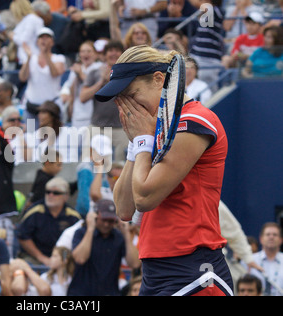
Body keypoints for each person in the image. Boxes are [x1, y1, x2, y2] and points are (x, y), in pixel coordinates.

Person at [98, 45, 233, 296]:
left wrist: (142, 141)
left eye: (131, 94)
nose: (127, 108)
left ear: (159, 80)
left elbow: (145, 197)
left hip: (193, 270)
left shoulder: (194, 121)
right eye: (121, 100)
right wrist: (137, 144)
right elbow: (124, 208)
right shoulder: (150, 132)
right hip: (154, 270)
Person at [67, 199, 140, 296]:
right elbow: (80, 258)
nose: (106, 224)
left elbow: (135, 263)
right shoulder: (82, 232)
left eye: (110, 221)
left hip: (109, 292)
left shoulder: (118, 236)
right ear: (96, 217)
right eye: (104, 220)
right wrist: (90, 229)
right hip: (82, 292)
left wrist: (126, 234)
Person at [80, 40, 128, 163]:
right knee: (89, 163)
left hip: (121, 128)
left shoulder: (128, 74)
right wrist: (101, 82)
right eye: (110, 51)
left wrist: (115, 81)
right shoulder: (95, 72)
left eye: (117, 51)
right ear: (104, 55)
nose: (113, 54)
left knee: (121, 165)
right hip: (97, 126)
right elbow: (83, 97)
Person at [17, 177, 82, 266]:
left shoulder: (73, 216)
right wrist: (42, 258)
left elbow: (78, 241)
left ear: (66, 196)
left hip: (63, 259)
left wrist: (61, 259)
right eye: (48, 192)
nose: (50, 195)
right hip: (34, 258)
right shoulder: (34, 212)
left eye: (56, 193)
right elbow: (23, 237)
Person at [18, 27, 66, 125]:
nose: (44, 40)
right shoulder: (30, 58)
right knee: (31, 137)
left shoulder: (59, 58)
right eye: (41, 37)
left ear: (52, 42)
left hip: (51, 108)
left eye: (47, 37)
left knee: (53, 136)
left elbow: (55, 73)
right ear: (37, 42)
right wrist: (28, 58)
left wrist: (45, 54)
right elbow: (22, 77)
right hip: (31, 107)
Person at [61, 41, 102, 129]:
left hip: (93, 114)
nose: (85, 54)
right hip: (78, 113)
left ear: (95, 54)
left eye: (89, 51)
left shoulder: (99, 67)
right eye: (83, 51)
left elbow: (96, 86)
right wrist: (76, 76)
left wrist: (80, 74)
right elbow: (72, 91)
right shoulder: (76, 69)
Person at [189, 0, 225, 90]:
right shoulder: (206, 13)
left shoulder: (217, 11)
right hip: (196, 55)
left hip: (209, 59)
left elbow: (197, 4)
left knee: (210, 91)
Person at [250, 222, 283, 296]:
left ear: (281, 240)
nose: (271, 237)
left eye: (275, 235)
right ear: (261, 239)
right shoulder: (250, 261)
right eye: (268, 234)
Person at [11, 0, 45, 66]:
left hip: (31, 58)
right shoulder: (25, 20)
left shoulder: (31, 19)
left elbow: (24, 41)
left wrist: (12, 36)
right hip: (25, 58)